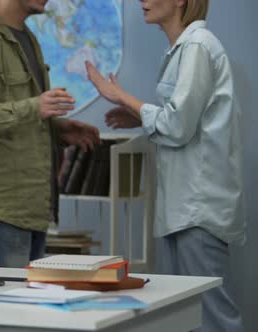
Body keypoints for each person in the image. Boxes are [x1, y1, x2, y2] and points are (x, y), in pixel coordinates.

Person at [86, 1, 244, 331]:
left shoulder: (198, 47)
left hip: (196, 210)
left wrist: (121, 97)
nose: (142, 1)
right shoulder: (181, 49)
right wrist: (140, 117)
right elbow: (183, 121)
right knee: (187, 316)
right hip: (183, 209)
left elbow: (176, 125)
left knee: (211, 316)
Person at [0, 0, 100, 268]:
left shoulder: (26, 38)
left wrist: (58, 130)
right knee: (5, 307)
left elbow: (15, 114)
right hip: (4, 212)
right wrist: (33, 108)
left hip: (33, 210)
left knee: (28, 307)